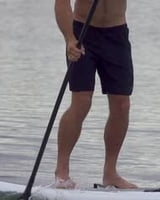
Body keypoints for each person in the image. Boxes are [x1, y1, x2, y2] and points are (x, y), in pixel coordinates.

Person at [54, 0, 137, 189]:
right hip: (82, 33)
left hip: (116, 34)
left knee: (122, 105)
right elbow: (61, 3)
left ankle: (110, 174)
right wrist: (69, 38)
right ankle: (62, 171)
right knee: (82, 101)